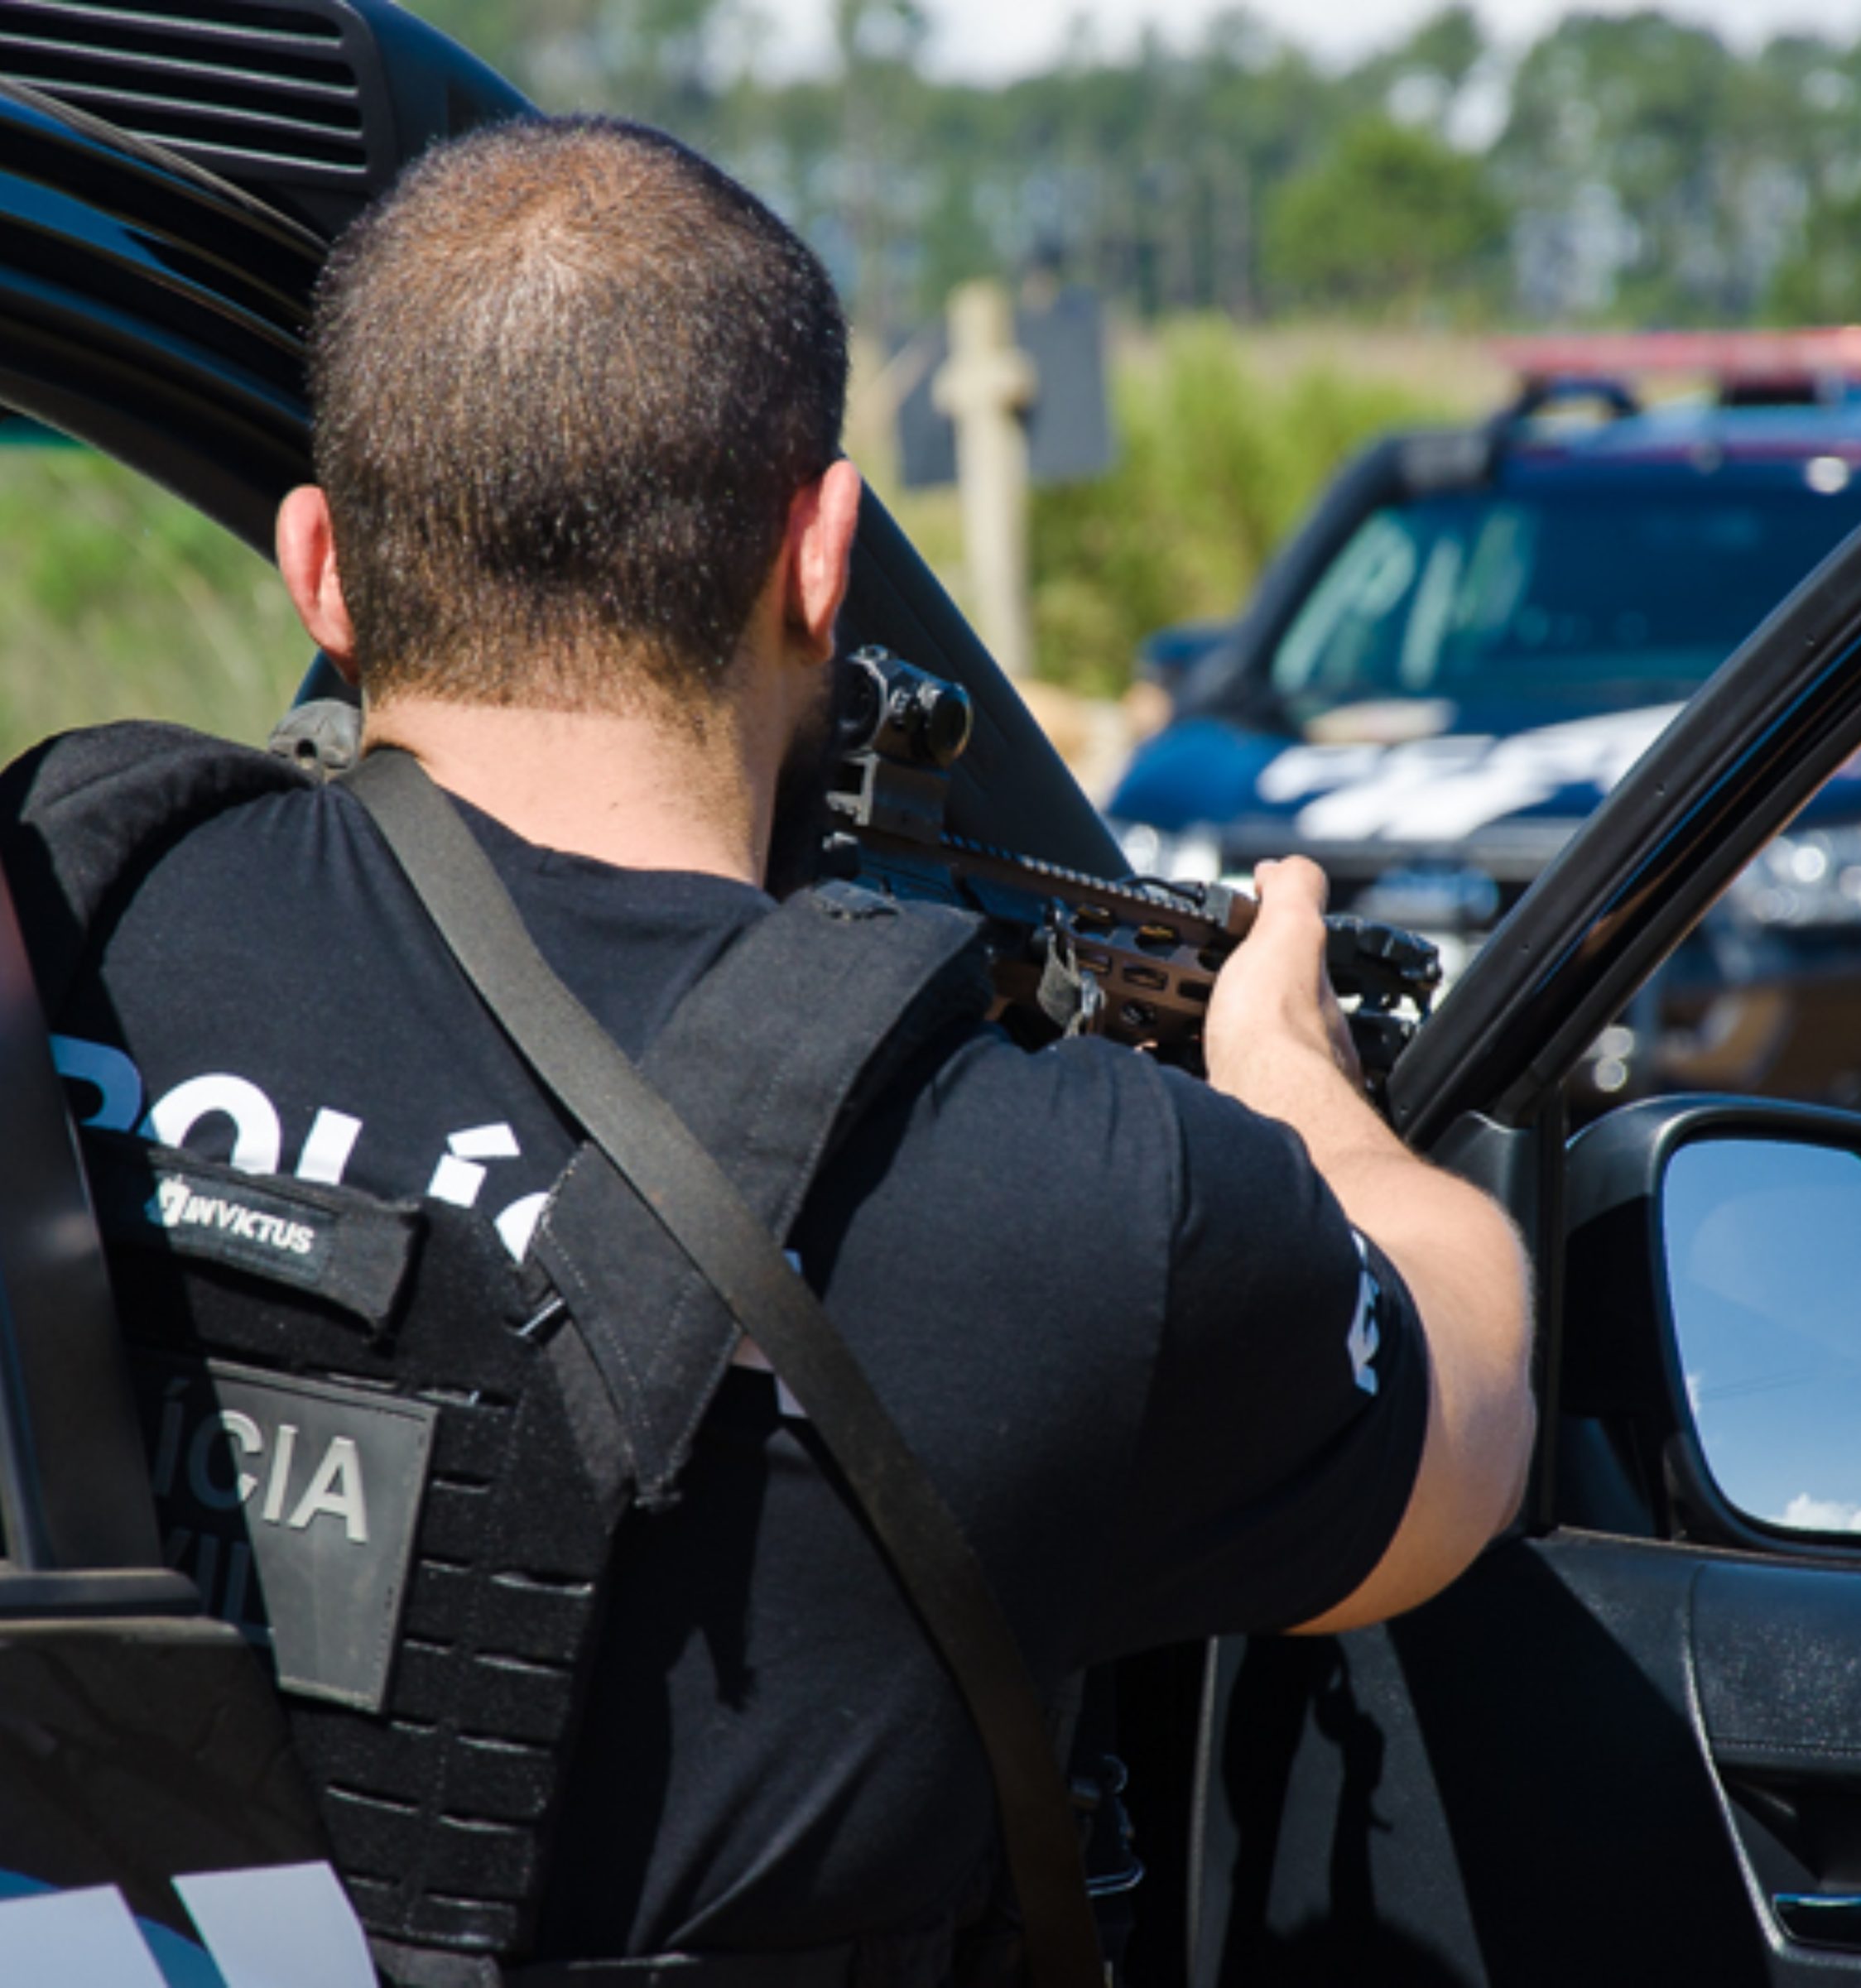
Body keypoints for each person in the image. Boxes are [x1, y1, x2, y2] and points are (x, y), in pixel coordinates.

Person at [2, 115, 1532, 1979]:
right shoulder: (1066, 1193)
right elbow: (1466, 1420)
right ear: (819, 559)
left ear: (316, 566)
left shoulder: (55, 910)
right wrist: (1296, 1088)